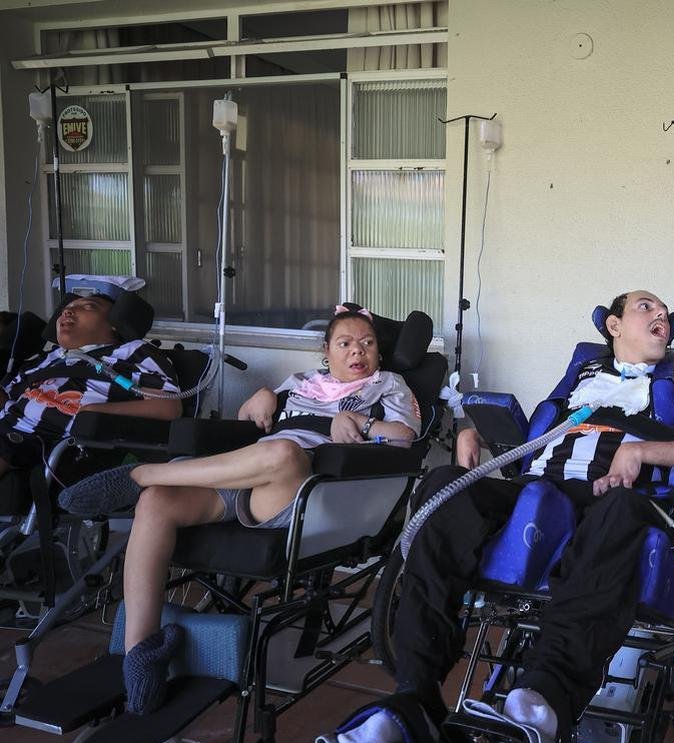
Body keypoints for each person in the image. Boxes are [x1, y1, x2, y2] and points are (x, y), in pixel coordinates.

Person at [317, 290, 674, 743]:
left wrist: (641, 453)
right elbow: (533, 440)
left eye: (664, 312)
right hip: (540, 491)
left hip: (615, 500)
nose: (660, 314)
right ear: (614, 326)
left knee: (620, 510)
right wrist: (474, 434)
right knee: (443, 486)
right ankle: (414, 697)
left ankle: (546, 698)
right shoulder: (583, 375)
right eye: (646, 306)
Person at [58, 305, 421, 715]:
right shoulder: (302, 383)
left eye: (367, 343)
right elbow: (251, 419)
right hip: (247, 470)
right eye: (346, 343)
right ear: (326, 351)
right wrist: (262, 396)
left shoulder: (387, 384)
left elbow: (405, 439)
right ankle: (140, 657)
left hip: (304, 493)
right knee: (157, 502)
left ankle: (142, 473)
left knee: (284, 452)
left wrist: (361, 424)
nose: (358, 351)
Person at [0, 275, 181, 480]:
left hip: (57, 444)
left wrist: (93, 412)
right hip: (10, 426)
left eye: (88, 307)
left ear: (114, 324)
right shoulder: (51, 357)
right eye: (65, 309)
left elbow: (168, 406)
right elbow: (9, 396)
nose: (67, 311)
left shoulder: (131, 352)